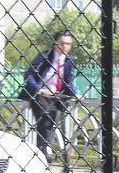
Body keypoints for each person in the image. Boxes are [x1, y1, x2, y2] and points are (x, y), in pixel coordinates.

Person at [19, 30, 77, 161]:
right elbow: (29, 75)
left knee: (60, 121)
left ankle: (61, 154)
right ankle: (43, 151)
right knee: (46, 119)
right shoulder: (45, 55)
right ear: (55, 43)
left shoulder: (68, 60)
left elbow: (68, 80)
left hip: (58, 96)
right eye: (62, 43)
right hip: (41, 94)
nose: (65, 47)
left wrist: (75, 93)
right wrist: (39, 90)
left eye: (68, 44)